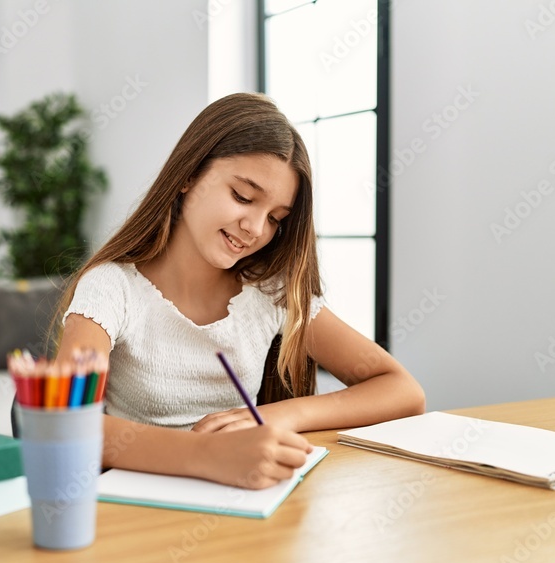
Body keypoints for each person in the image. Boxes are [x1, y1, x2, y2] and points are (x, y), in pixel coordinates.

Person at [54, 92, 425, 490]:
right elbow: (62, 421)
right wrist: (209, 456)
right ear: (188, 176)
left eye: (275, 218)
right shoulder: (112, 289)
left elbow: (403, 390)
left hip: (244, 510)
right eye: (243, 197)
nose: (255, 228)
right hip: (141, 516)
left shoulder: (270, 293)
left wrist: (279, 417)